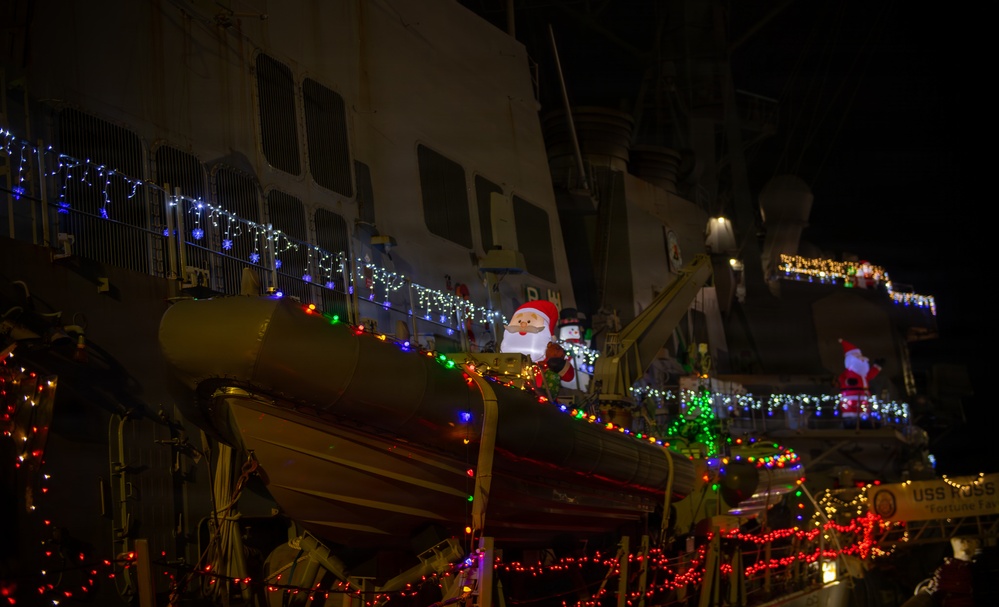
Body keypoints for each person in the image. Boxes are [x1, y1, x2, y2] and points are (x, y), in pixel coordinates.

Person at [500, 300, 574, 395]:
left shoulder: (546, 371)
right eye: (557, 349)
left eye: (559, 356)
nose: (523, 325)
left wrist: (533, 388)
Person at [837, 338, 881, 428]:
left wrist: (877, 367)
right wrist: (848, 382)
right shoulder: (849, 372)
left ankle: (864, 423)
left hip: (863, 396)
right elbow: (842, 379)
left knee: (863, 410)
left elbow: (870, 375)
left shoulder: (863, 374)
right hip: (851, 397)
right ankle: (851, 424)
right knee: (852, 412)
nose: (861, 358)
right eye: (857, 356)